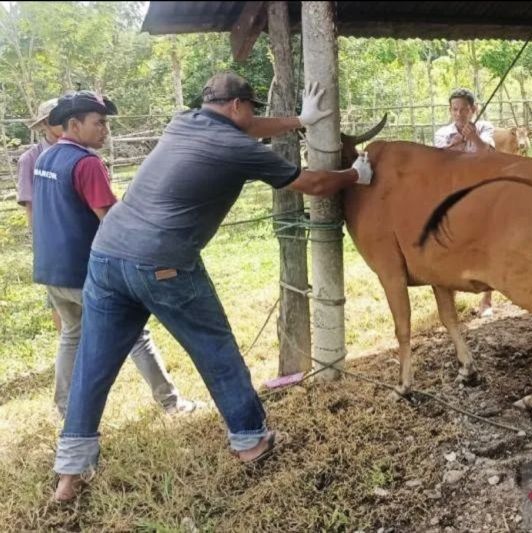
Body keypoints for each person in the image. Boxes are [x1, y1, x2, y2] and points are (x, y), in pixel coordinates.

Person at [52, 72, 374, 501]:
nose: (253, 117)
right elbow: (313, 183)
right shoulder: (238, 148)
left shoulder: (183, 120)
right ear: (239, 106)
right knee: (216, 352)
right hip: (164, 264)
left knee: (93, 366)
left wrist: (299, 119)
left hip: (107, 256)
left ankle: (69, 476)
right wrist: (355, 175)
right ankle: (250, 442)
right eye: (252, 108)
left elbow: (247, 125)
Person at [31, 90, 198, 420]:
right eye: (99, 123)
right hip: (84, 270)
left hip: (51, 269)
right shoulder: (86, 163)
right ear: (74, 124)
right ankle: (171, 403)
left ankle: (65, 408)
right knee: (136, 334)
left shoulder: (45, 158)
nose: (105, 129)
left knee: (71, 335)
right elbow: (110, 219)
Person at [433, 88, 496, 318]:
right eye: (455, 109)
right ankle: (452, 294)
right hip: (452, 193)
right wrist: (457, 144)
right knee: (451, 243)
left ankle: (487, 300)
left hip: (482, 193)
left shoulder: (485, 128)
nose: (459, 114)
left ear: (473, 110)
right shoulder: (442, 133)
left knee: (486, 244)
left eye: (464, 109)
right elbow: (440, 160)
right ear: (450, 111)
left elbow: (487, 155)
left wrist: (473, 138)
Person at [17, 98, 63, 333]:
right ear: (45, 124)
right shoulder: (30, 159)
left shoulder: (82, 150)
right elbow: (31, 206)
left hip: (83, 235)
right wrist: (42, 242)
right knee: (58, 300)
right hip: (52, 239)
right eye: (59, 117)